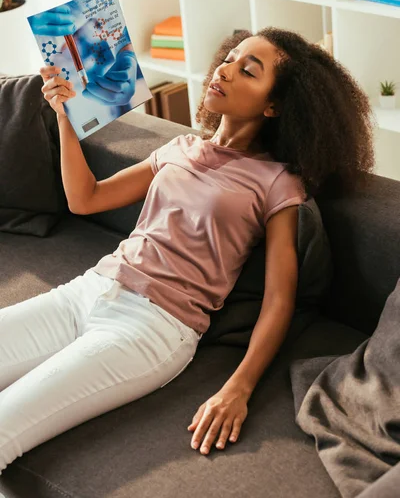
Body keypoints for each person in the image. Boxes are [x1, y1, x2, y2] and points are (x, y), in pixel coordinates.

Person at [0, 27, 375, 471]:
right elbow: (87, 199)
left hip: (151, 328)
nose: (226, 70)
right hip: (88, 290)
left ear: (274, 106)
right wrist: (63, 115)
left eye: (248, 71)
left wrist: (239, 387)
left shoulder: (278, 183)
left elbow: (279, 299)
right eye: (230, 58)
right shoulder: (180, 148)